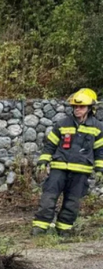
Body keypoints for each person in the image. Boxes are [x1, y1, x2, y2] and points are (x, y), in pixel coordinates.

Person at [32, 88, 103, 237]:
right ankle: (39, 228)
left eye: (81, 107)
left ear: (90, 108)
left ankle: (63, 230)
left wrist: (100, 169)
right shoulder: (62, 124)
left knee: (73, 202)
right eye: (75, 107)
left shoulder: (97, 128)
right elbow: (50, 145)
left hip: (81, 172)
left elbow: (100, 151)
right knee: (48, 197)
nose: (77, 109)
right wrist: (43, 161)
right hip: (59, 169)